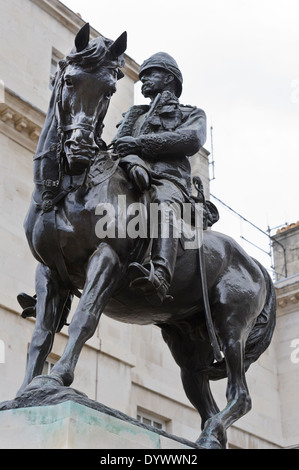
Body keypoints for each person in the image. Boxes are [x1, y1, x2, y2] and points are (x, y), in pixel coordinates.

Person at [113, 52, 207, 306]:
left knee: (163, 205)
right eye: (141, 77)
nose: (143, 81)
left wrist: (140, 144)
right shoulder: (134, 115)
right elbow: (118, 147)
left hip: (168, 179)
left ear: (168, 78)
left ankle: (161, 276)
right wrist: (132, 161)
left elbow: (192, 139)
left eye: (150, 75)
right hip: (129, 173)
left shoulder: (191, 113)